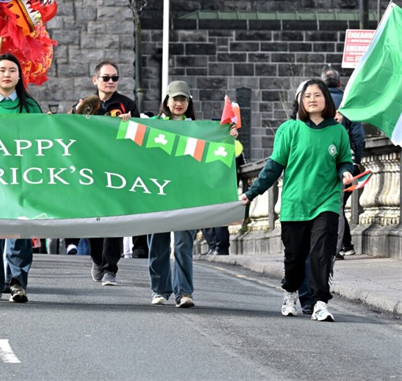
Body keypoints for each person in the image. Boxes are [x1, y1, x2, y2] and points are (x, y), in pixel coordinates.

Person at [240, 78, 353, 322]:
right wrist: (251, 193)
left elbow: (345, 159)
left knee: (322, 254)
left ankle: (320, 302)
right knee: (294, 258)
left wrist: (345, 171)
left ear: (327, 100)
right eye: (307, 95)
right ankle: (290, 292)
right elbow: (273, 167)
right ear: (301, 101)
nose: (313, 99)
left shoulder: (338, 131)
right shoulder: (289, 130)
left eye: (318, 95)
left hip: (327, 201)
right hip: (295, 204)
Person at [148, 80, 238, 308]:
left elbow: (222, 153)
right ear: (166, 101)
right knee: (157, 243)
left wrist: (230, 136)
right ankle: (159, 290)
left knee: (182, 245)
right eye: (174, 98)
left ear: (189, 103)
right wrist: (126, 122)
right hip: (157, 192)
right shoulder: (152, 126)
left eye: (183, 99)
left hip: (185, 194)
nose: (178, 103)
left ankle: (184, 292)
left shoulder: (199, 130)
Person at [0, 54, 41, 303]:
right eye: (1, 70)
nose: (7, 74)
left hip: (22, 177)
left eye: (12, 70)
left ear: (20, 76)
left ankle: (17, 282)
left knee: (20, 230)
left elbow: (42, 140)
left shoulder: (30, 107)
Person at [66, 61, 138, 286]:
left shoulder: (127, 105)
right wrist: (74, 114)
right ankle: (97, 259)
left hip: (117, 170)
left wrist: (129, 124)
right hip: (91, 170)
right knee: (94, 219)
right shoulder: (84, 105)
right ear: (95, 80)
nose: (110, 82)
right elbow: (67, 130)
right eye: (106, 78)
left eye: (114, 78)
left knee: (114, 219)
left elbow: (139, 136)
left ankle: (111, 269)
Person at [321, 68, 364, 259]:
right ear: (339, 83)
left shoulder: (317, 102)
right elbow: (358, 137)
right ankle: (340, 245)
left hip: (322, 162)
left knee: (332, 205)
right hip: (347, 162)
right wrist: (357, 161)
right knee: (337, 205)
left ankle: (339, 245)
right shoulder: (348, 104)